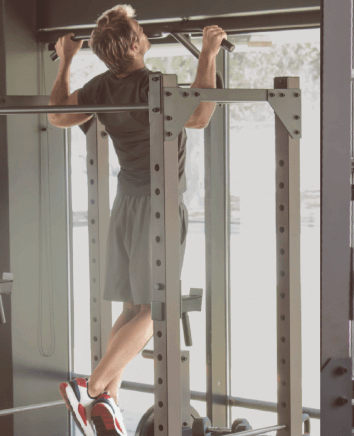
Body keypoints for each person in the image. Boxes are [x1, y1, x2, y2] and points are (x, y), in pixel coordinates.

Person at [47, 5, 225, 436]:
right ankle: (89, 387)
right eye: (141, 30)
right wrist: (208, 55)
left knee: (132, 309)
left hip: (126, 202)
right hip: (158, 203)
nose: (145, 34)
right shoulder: (154, 84)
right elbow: (200, 116)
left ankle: (106, 399)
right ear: (133, 43)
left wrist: (66, 61)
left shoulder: (102, 86)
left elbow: (57, 115)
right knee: (157, 309)